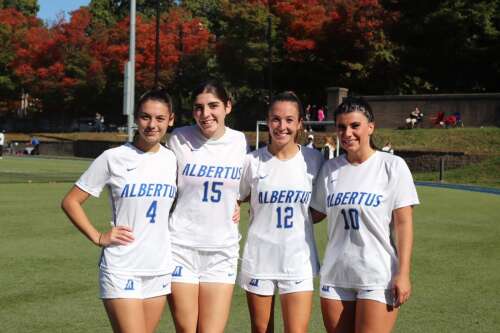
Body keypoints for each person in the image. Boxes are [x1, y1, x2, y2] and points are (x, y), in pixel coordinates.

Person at [61, 89, 177, 333]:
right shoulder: (112, 157)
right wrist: (98, 237)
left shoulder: (173, 160)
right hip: (122, 266)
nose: (152, 125)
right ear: (136, 118)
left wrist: (235, 205)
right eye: (146, 117)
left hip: (159, 267)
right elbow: (71, 201)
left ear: (171, 120)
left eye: (159, 119)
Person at [311, 97, 419, 333]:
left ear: (370, 127)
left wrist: (403, 273)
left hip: (377, 275)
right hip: (335, 275)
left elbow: (404, 224)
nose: (347, 133)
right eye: (341, 127)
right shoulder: (330, 169)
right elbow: (316, 213)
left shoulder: (392, 166)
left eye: (354, 126)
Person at [166, 80, 247, 333]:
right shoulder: (179, 138)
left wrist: (237, 202)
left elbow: (247, 185)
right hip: (180, 247)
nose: (205, 114)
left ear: (228, 107)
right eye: (198, 108)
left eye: (213, 106)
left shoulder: (240, 141)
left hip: (221, 251)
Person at [238, 91, 323, 333]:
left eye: (288, 120)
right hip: (259, 257)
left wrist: (301, 221)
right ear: (268, 120)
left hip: (298, 259)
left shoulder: (314, 160)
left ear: (299, 124)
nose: (282, 126)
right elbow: (237, 197)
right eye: (276, 119)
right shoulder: (252, 162)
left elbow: (322, 208)